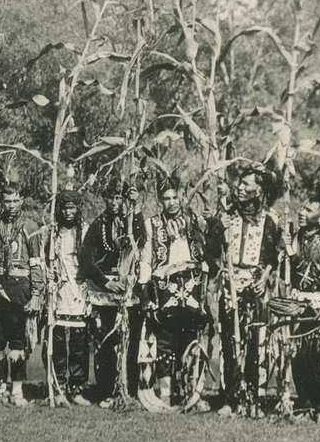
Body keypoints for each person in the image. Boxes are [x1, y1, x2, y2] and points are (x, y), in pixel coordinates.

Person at [206, 162, 284, 418]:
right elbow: (211, 253)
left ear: (259, 190)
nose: (239, 187)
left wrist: (266, 276)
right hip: (230, 287)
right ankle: (230, 399)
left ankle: (254, 398)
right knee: (230, 343)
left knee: (255, 343)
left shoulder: (269, 221)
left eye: (246, 184)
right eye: (239, 183)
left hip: (256, 287)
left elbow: (274, 256)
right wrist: (220, 233)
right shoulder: (226, 216)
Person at [138, 175, 209, 409]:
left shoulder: (195, 221)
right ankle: (166, 394)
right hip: (164, 287)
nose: (171, 202)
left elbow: (209, 250)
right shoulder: (152, 224)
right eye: (166, 198)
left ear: (181, 197)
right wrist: (145, 293)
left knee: (190, 337)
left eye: (174, 197)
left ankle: (192, 392)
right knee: (165, 339)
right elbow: (146, 259)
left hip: (191, 286)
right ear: (160, 200)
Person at [78, 177, 144, 405]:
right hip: (105, 291)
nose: (115, 202)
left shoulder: (131, 222)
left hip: (128, 291)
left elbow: (141, 240)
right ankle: (106, 390)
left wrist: (135, 208)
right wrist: (106, 282)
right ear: (105, 198)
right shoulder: (98, 225)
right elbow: (87, 260)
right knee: (105, 340)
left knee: (128, 339)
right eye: (111, 197)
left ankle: (127, 388)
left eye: (119, 197)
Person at [0, 182, 44, 407]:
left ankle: (17, 390)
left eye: (16, 200)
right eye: (7, 201)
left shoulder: (30, 226)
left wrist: (36, 293)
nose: (11, 205)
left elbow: (37, 263)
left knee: (19, 341)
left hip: (21, 288)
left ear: (22, 199)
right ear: (1, 201)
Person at [288, 190, 320, 424]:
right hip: (298, 303)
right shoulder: (293, 239)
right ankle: (305, 403)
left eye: (309, 210)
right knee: (299, 355)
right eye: (302, 208)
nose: (302, 212)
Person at [42, 188, 91, 405]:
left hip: (79, 287)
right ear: (60, 209)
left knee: (79, 339)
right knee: (58, 337)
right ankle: (58, 383)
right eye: (65, 207)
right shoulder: (52, 232)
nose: (69, 212)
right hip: (58, 289)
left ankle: (77, 387)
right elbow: (44, 259)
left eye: (72, 207)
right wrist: (49, 273)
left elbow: (90, 260)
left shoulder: (85, 231)